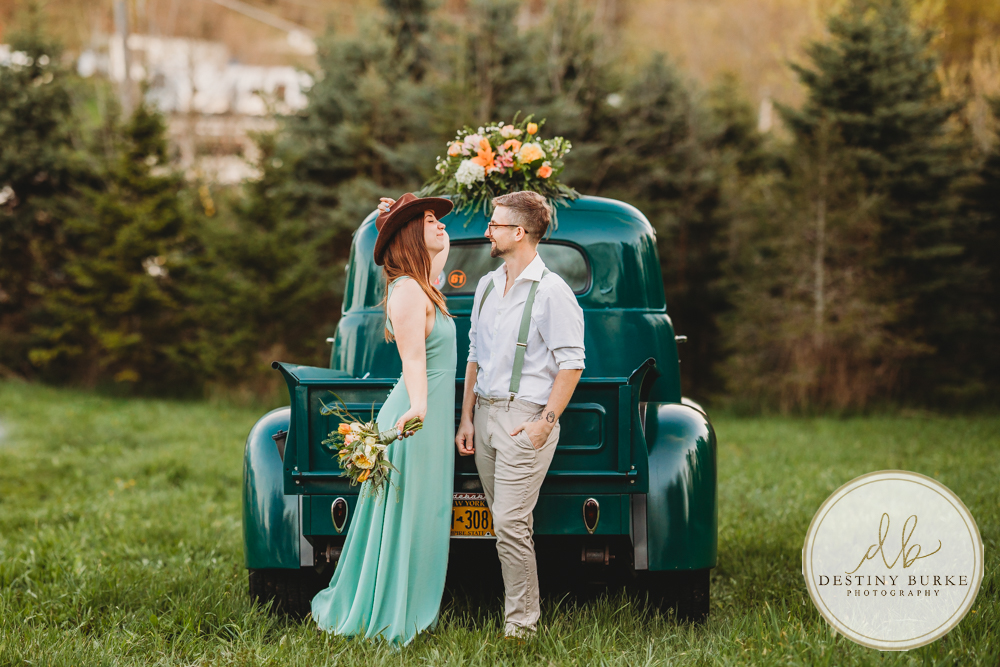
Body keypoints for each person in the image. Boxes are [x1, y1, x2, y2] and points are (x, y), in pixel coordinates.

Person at [311, 192, 457, 646]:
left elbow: (442, 251)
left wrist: (397, 221)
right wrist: (418, 408)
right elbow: (413, 359)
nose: (439, 226)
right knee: (407, 515)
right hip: (416, 415)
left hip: (425, 413)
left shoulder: (422, 282)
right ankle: (392, 609)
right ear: (412, 235)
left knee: (423, 513)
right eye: (430, 221)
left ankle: (409, 600)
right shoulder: (409, 292)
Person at [454, 190, 586, 638]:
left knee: (509, 522)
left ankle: (522, 626)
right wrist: (467, 417)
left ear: (519, 232)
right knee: (504, 522)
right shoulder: (489, 284)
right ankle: (519, 614)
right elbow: (474, 353)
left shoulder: (553, 292)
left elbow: (572, 363)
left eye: (494, 224)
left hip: (525, 418)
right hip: (486, 418)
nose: (487, 230)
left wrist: (543, 424)